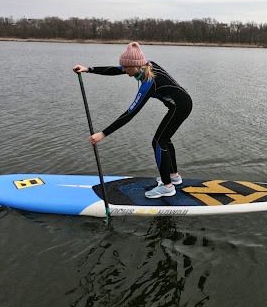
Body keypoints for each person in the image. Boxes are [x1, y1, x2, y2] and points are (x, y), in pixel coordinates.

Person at [73, 42, 192, 199]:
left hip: (181, 107)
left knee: (158, 142)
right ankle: (174, 177)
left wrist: (103, 134)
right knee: (164, 138)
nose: (125, 72)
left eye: (127, 69)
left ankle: (167, 187)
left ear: (135, 67)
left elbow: (130, 114)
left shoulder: (150, 83)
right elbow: (116, 69)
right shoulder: (144, 64)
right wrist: (88, 69)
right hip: (179, 105)